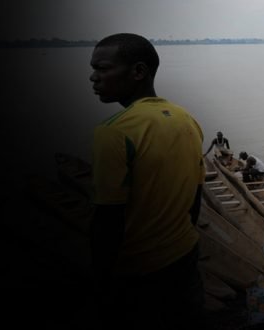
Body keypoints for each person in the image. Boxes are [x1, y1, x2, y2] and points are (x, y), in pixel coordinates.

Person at [89, 33, 205, 328]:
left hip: (139, 270)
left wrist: (102, 280)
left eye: (103, 68)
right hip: (185, 252)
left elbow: (108, 218)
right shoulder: (187, 119)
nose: (93, 77)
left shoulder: (113, 132)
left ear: (138, 71)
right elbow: (195, 197)